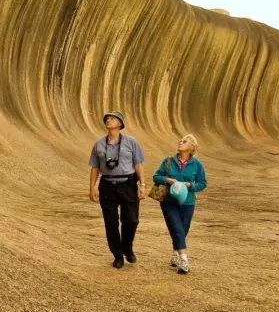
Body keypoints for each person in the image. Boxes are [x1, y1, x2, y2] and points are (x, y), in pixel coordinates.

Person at [88, 111, 147, 268]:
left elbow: (138, 164)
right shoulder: (99, 144)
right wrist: (92, 187)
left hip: (128, 183)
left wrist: (142, 185)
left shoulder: (131, 142)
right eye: (107, 118)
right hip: (107, 185)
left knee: (132, 220)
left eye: (112, 118)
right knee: (111, 223)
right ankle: (118, 255)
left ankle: (127, 247)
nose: (108, 120)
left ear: (120, 124)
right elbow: (94, 167)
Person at [152, 134, 207, 274]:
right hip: (169, 201)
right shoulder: (168, 161)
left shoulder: (197, 165)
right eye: (180, 141)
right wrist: (168, 180)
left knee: (183, 230)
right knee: (176, 227)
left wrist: (190, 185)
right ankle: (184, 260)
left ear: (192, 147)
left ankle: (175, 253)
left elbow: (202, 183)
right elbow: (156, 176)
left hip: (188, 202)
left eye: (184, 141)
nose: (180, 142)